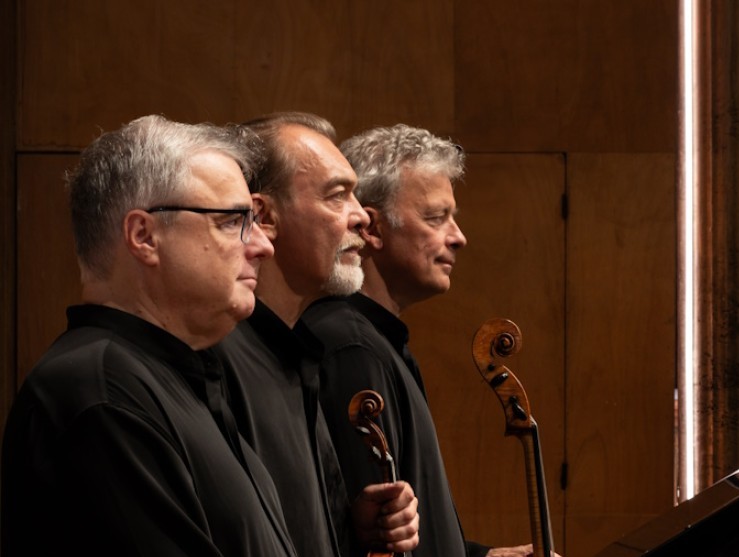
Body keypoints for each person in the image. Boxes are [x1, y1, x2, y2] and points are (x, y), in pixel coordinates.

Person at [1, 115, 294, 556]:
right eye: (232, 221)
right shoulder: (102, 394)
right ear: (145, 236)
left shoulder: (175, 373)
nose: (262, 245)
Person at [301, 124, 543, 557]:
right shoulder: (352, 348)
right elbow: (374, 546)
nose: (458, 237)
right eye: (435, 218)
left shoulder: (376, 341)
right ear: (372, 228)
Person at [216, 112, 419, 557]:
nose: (361, 217)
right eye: (337, 196)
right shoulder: (219, 359)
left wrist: (351, 527)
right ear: (264, 215)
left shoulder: (293, 351)